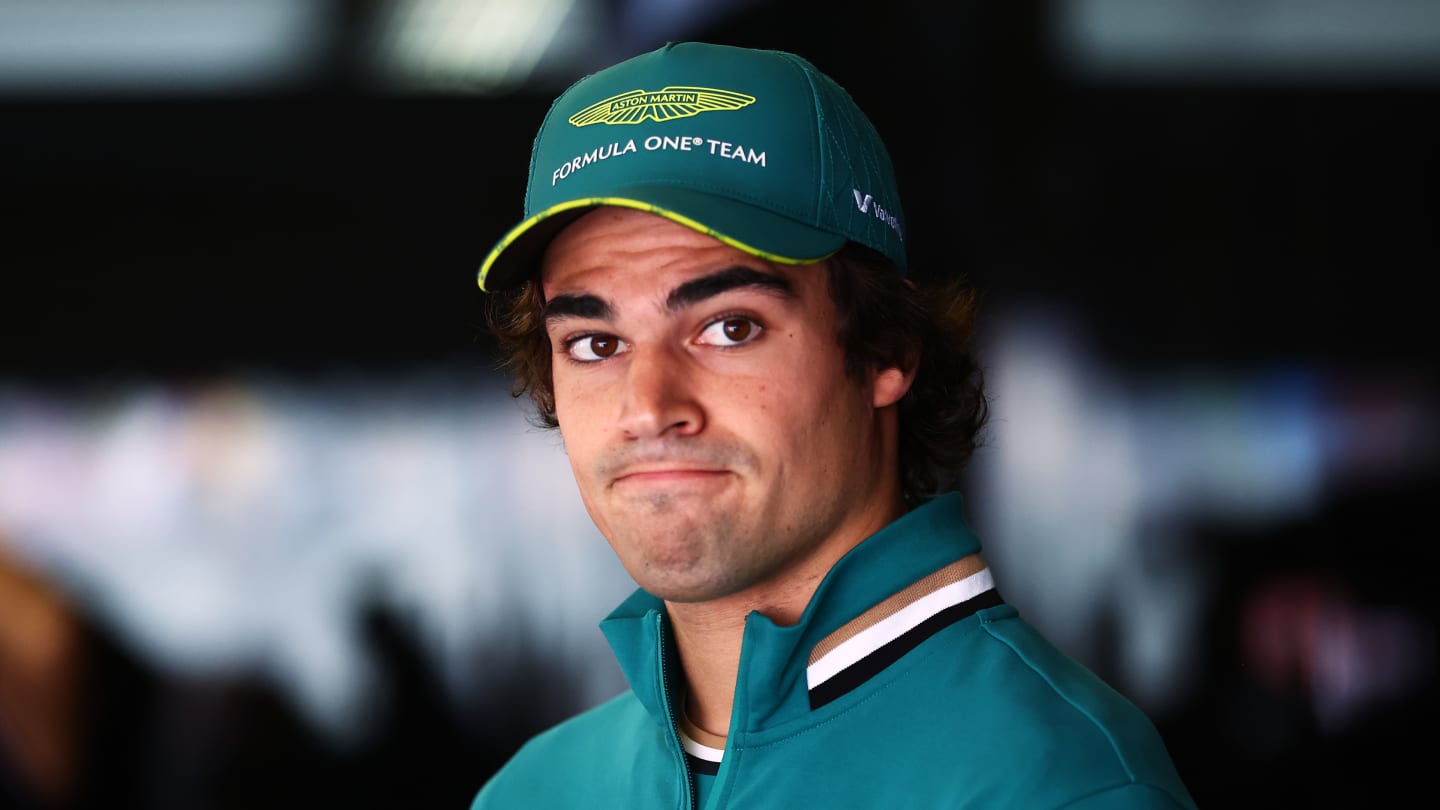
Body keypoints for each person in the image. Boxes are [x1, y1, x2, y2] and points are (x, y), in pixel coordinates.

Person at [469, 40, 1197, 809]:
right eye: (596, 344)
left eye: (730, 328)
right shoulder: (533, 792)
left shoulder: (1060, 786)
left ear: (886, 350)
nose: (648, 406)